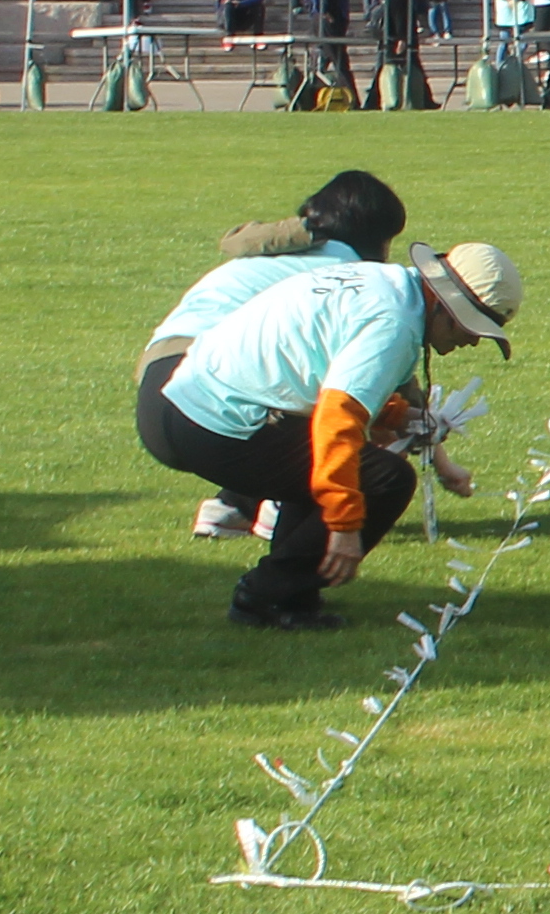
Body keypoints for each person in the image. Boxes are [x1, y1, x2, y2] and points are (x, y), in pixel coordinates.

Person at [143, 238, 522, 633]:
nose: (473, 341)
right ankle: (267, 594)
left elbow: (325, 376)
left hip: (183, 406)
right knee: (385, 478)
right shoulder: (394, 322)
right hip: (210, 421)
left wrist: (398, 415)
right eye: (472, 327)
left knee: (330, 466)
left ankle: (291, 597)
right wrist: (345, 526)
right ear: (445, 307)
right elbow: (337, 418)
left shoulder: (387, 284)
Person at [144, 167, 414, 538]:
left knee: (292, 384)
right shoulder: (353, 277)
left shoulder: (283, 244)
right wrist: (420, 418)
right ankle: (273, 507)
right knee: (330, 400)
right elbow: (373, 370)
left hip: (158, 373)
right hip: (208, 374)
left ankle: (230, 507)